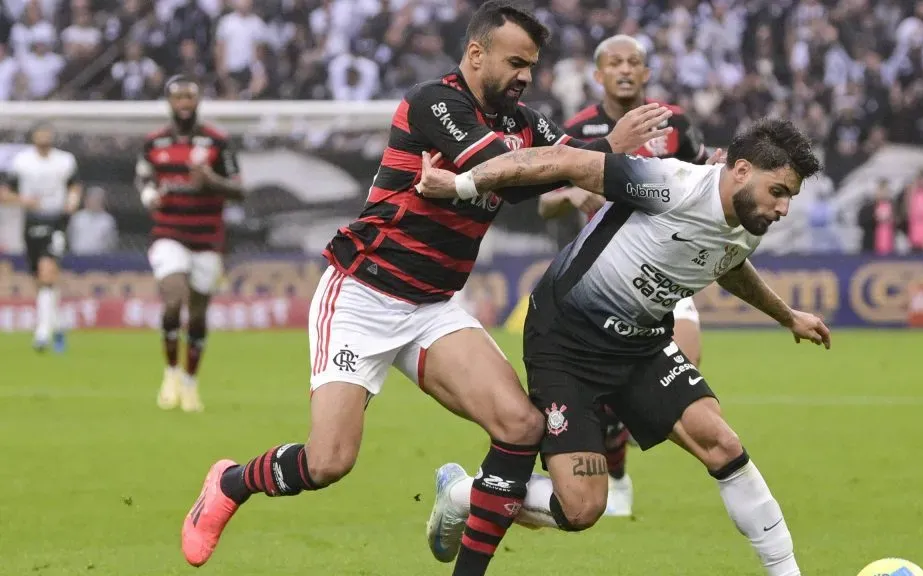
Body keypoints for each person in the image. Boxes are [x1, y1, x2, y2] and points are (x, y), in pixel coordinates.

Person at [179, 2, 669, 574]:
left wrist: (636, 168)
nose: (525, 77)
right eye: (515, 63)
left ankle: (466, 546)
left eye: (531, 67)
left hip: (433, 307)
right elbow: (502, 166)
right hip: (362, 293)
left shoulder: (523, 123)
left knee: (520, 426)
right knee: (329, 461)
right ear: (476, 53)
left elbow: (563, 166)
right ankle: (232, 482)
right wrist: (595, 151)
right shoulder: (433, 102)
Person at [420, 118, 830, 576]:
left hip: (641, 345)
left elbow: (728, 262)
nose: (784, 208)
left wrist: (786, 315)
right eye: (778, 191)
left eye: (789, 195)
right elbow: (564, 161)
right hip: (566, 342)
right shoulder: (671, 184)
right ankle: (464, 491)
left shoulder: (749, 222)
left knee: (721, 442)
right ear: (741, 170)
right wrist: (460, 183)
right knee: (582, 508)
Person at [535, 33, 713, 517]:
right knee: (609, 391)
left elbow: (705, 178)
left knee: (685, 365)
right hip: (606, 278)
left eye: (634, 61)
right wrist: (571, 194)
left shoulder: (674, 123)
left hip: (667, 270)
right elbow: (544, 199)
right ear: (599, 75)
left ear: (647, 72)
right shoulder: (579, 128)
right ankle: (610, 471)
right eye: (615, 63)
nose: (626, 70)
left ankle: (613, 444)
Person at [137, 74, 245, 413]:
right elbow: (143, 176)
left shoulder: (217, 141)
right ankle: (169, 373)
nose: (184, 103)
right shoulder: (154, 142)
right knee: (173, 300)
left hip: (207, 240)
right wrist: (148, 194)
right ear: (168, 102)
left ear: (198, 101)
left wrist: (211, 181)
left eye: (190, 97)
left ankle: (189, 382)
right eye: (178, 97)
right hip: (168, 233)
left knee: (197, 314)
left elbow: (240, 190)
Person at [0, 122, 81, 353]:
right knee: (40, 279)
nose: (44, 139)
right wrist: (24, 200)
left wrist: (71, 202)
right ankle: (56, 325)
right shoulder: (22, 162)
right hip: (31, 221)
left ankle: (42, 333)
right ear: (34, 137)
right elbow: (5, 193)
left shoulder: (65, 160)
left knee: (48, 270)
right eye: (40, 135)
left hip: (56, 220)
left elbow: (75, 187)